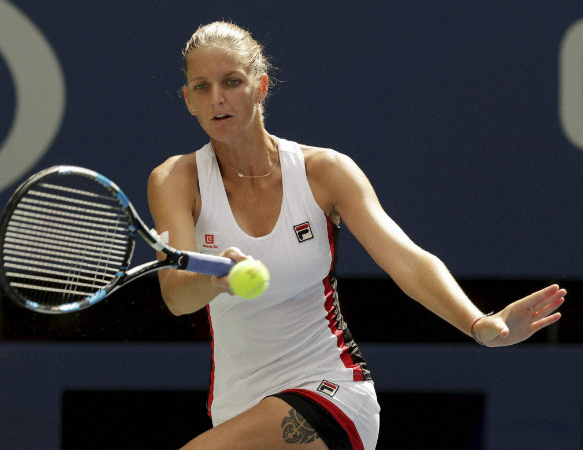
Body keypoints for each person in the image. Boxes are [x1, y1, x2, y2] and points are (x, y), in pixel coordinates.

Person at [147, 21, 566, 450]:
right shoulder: (175, 180)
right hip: (236, 408)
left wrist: (479, 323)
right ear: (188, 100)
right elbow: (177, 297)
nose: (217, 98)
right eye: (201, 87)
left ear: (261, 86)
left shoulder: (324, 172)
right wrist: (214, 277)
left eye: (232, 81)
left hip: (332, 392)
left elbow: (405, 258)